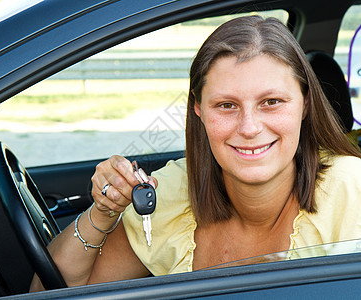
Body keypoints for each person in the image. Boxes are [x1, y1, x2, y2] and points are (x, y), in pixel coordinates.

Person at [30, 15, 361, 291]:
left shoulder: (351, 190)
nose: (249, 127)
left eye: (271, 102)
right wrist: (103, 210)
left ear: (305, 104)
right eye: (226, 105)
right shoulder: (173, 193)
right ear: (198, 109)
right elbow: (54, 293)